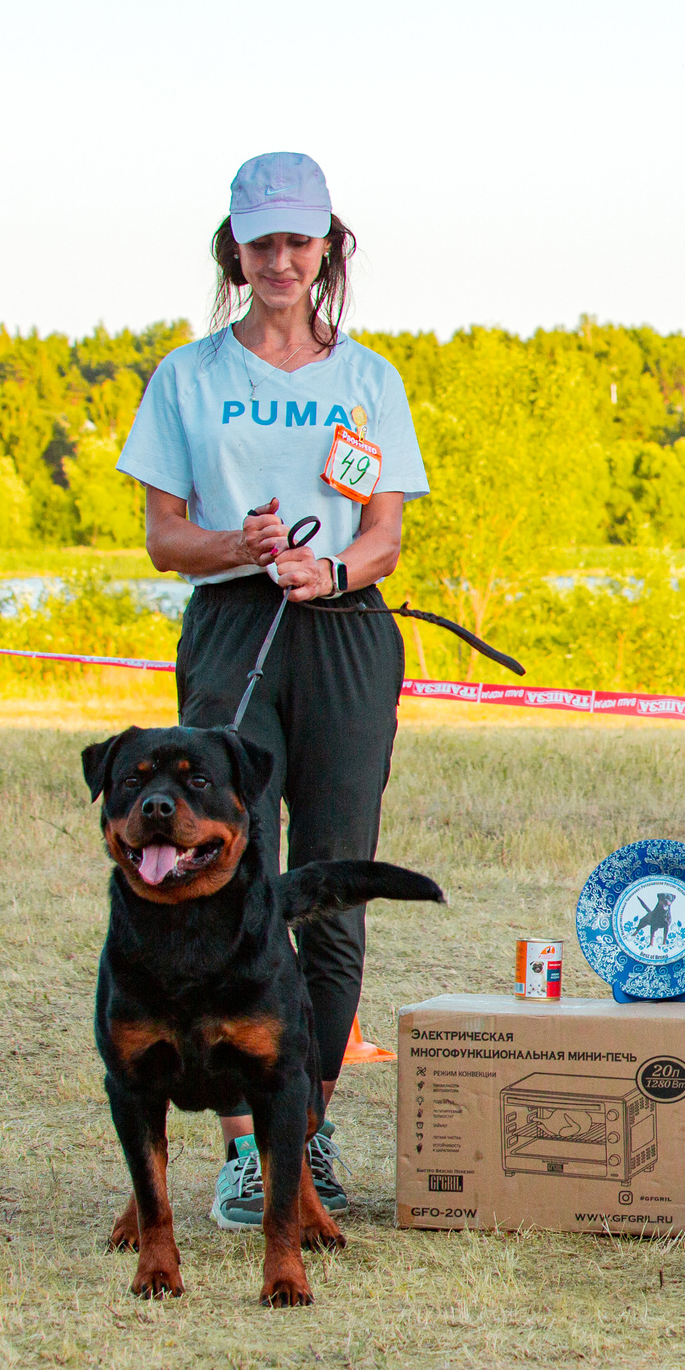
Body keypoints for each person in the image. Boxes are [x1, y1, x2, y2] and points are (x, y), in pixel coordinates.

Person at [116, 152, 428, 1230]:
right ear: (235, 251)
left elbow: (384, 533)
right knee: (219, 878)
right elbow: (164, 538)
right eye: (263, 243)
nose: (282, 260)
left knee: (329, 886)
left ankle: (310, 1127)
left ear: (326, 247)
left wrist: (333, 568)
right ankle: (245, 1148)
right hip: (236, 627)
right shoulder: (188, 377)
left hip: (342, 631)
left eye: (301, 241)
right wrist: (233, 546)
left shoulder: (369, 378)